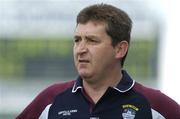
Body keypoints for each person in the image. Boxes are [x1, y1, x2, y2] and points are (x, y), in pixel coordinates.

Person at [16, 3, 180, 119]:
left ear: (120, 49)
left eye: (92, 40)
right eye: (77, 40)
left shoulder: (154, 105)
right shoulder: (51, 100)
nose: (81, 49)